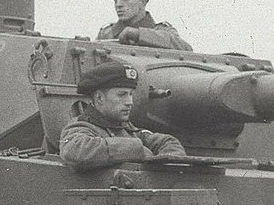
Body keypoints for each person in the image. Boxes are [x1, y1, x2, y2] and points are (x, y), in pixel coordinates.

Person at [59, 61, 187, 170]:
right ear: (99, 98)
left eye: (131, 94)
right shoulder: (81, 127)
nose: (129, 102)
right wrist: (137, 150)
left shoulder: (127, 129)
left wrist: (165, 164)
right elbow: (75, 151)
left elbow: (167, 142)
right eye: (122, 95)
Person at [96, 0, 192, 50]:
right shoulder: (106, 34)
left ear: (143, 2)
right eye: (115, 0)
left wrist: (139, 34)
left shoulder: (162, 30)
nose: (118, 4)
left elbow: (185, 48)